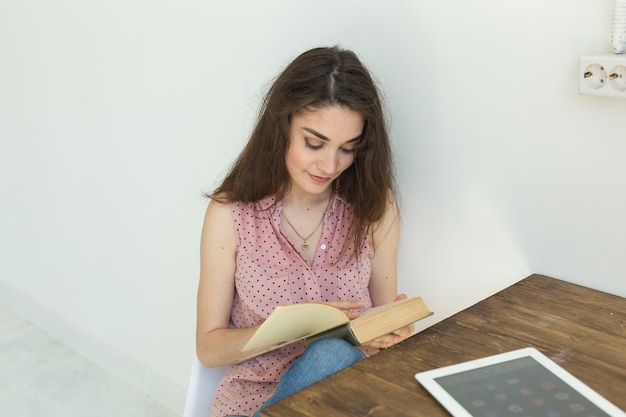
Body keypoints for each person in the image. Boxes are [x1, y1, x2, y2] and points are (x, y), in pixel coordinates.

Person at [196, 46, 412, 417]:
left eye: (347, 149)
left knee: (335, 356)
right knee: (327, 352)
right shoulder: (231, 214)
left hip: (343, 397)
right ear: (281, 128)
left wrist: (390, 333)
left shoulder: (375, 207)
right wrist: (297, 329)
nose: (330, 165)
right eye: (314, 143)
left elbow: (381, 321)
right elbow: (208, 348)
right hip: (255, 400)